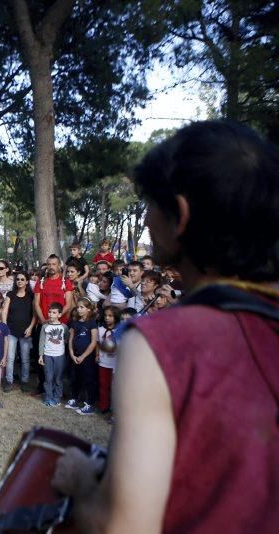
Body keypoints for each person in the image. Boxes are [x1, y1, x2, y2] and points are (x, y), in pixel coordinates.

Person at [53, 121, 279, 532]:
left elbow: (121, 527)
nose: (144, 221)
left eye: (151, 205)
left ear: (181, 216)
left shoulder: (161, 343)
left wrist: (82, 480)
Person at [1, 271, 36, 393]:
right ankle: (9, 380)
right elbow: (4, 311)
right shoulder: (10, 294)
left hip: (26, 332)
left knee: (25, 358)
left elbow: (35, 314)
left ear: (27, 281)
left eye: (22, 279)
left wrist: (31, 327)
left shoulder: (31, 296)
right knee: (10, 357)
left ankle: (25, 381)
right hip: (11, 331)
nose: (19, 281)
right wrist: (4, 326)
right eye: (18, 279)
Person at [64, 297, 99, 415]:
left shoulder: (92, 323)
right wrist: (72, 353)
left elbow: (94, 342)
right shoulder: (75, 323)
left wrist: (83, 356)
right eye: (78, 307)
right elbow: (71, 338)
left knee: (88, 379)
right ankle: (74, 398)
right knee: (75, 378)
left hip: (87, 357)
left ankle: (89, 404)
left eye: (81, 307)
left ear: (88, 309)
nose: (79, 309)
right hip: (75, 356)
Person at [39, 302, 68, 407]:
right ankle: (48, 397)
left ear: (59, 314)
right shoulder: (44, 327)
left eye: (54, 312)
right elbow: (41, 342)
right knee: (48, 377)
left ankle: (57, 398)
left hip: (60, 356)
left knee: (58, 378)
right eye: (50, 312)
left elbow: (67, 339)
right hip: (47, 355)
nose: (51, 314)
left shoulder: (64, 327)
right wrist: (41, 355)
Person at [96, 305, 120, 415]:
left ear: (115, 317)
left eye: (110, 316)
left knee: (114, 386)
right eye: (105, 316)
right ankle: (104, 406)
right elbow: (97, 343)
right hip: (103, 362)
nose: (107, 318)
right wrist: (97, 355)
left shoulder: (119, 331)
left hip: (115, 363)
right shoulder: (100, 330)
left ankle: (113, 408)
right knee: (103, 385)